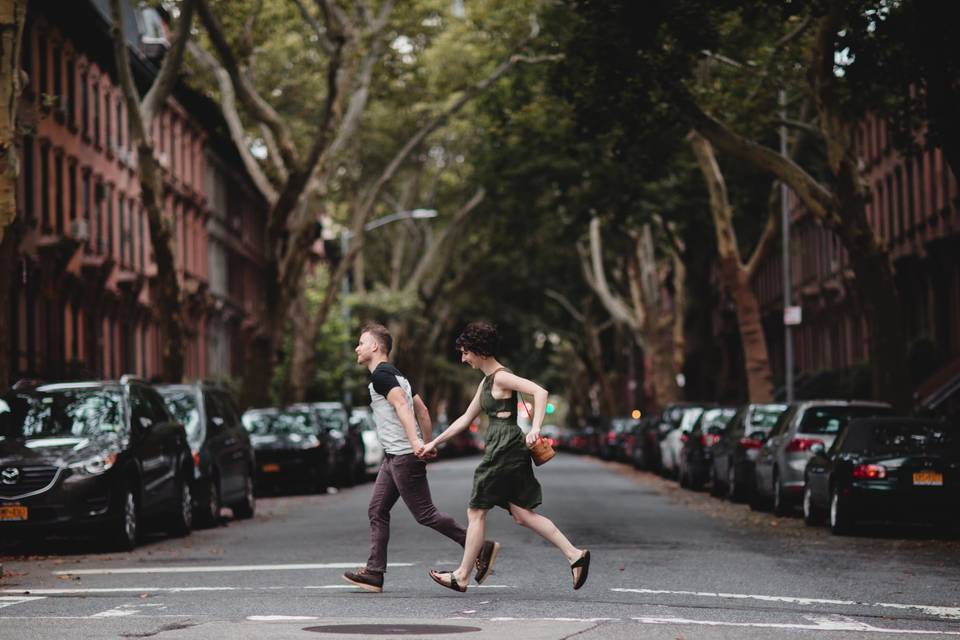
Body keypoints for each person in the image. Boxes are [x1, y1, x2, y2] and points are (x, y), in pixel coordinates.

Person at [420, 321, 590, 592]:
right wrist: (433, 442)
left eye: (466, 353)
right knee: (522, 514)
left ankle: (462, 574)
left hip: (505, 447)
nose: (464, 359)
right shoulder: (487, 382)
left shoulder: (500, 376)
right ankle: (575, 555)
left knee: (476, 509)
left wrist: (535, 429)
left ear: (479, 350)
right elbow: (465, 419)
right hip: (503, 445)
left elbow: (540, 391)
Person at [343, 322, 500, 593]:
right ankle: (374, 572)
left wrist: (417, 443)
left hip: (403, 456)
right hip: (395, 458)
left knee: (425, 514)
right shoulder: (399, 376)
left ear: (375, 347)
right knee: (377, 510)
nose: (357, 348)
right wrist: (427, 443)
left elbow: (403, 406)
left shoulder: (381, 376)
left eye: (361, 342)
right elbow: (423, 410)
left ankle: (480, 547)